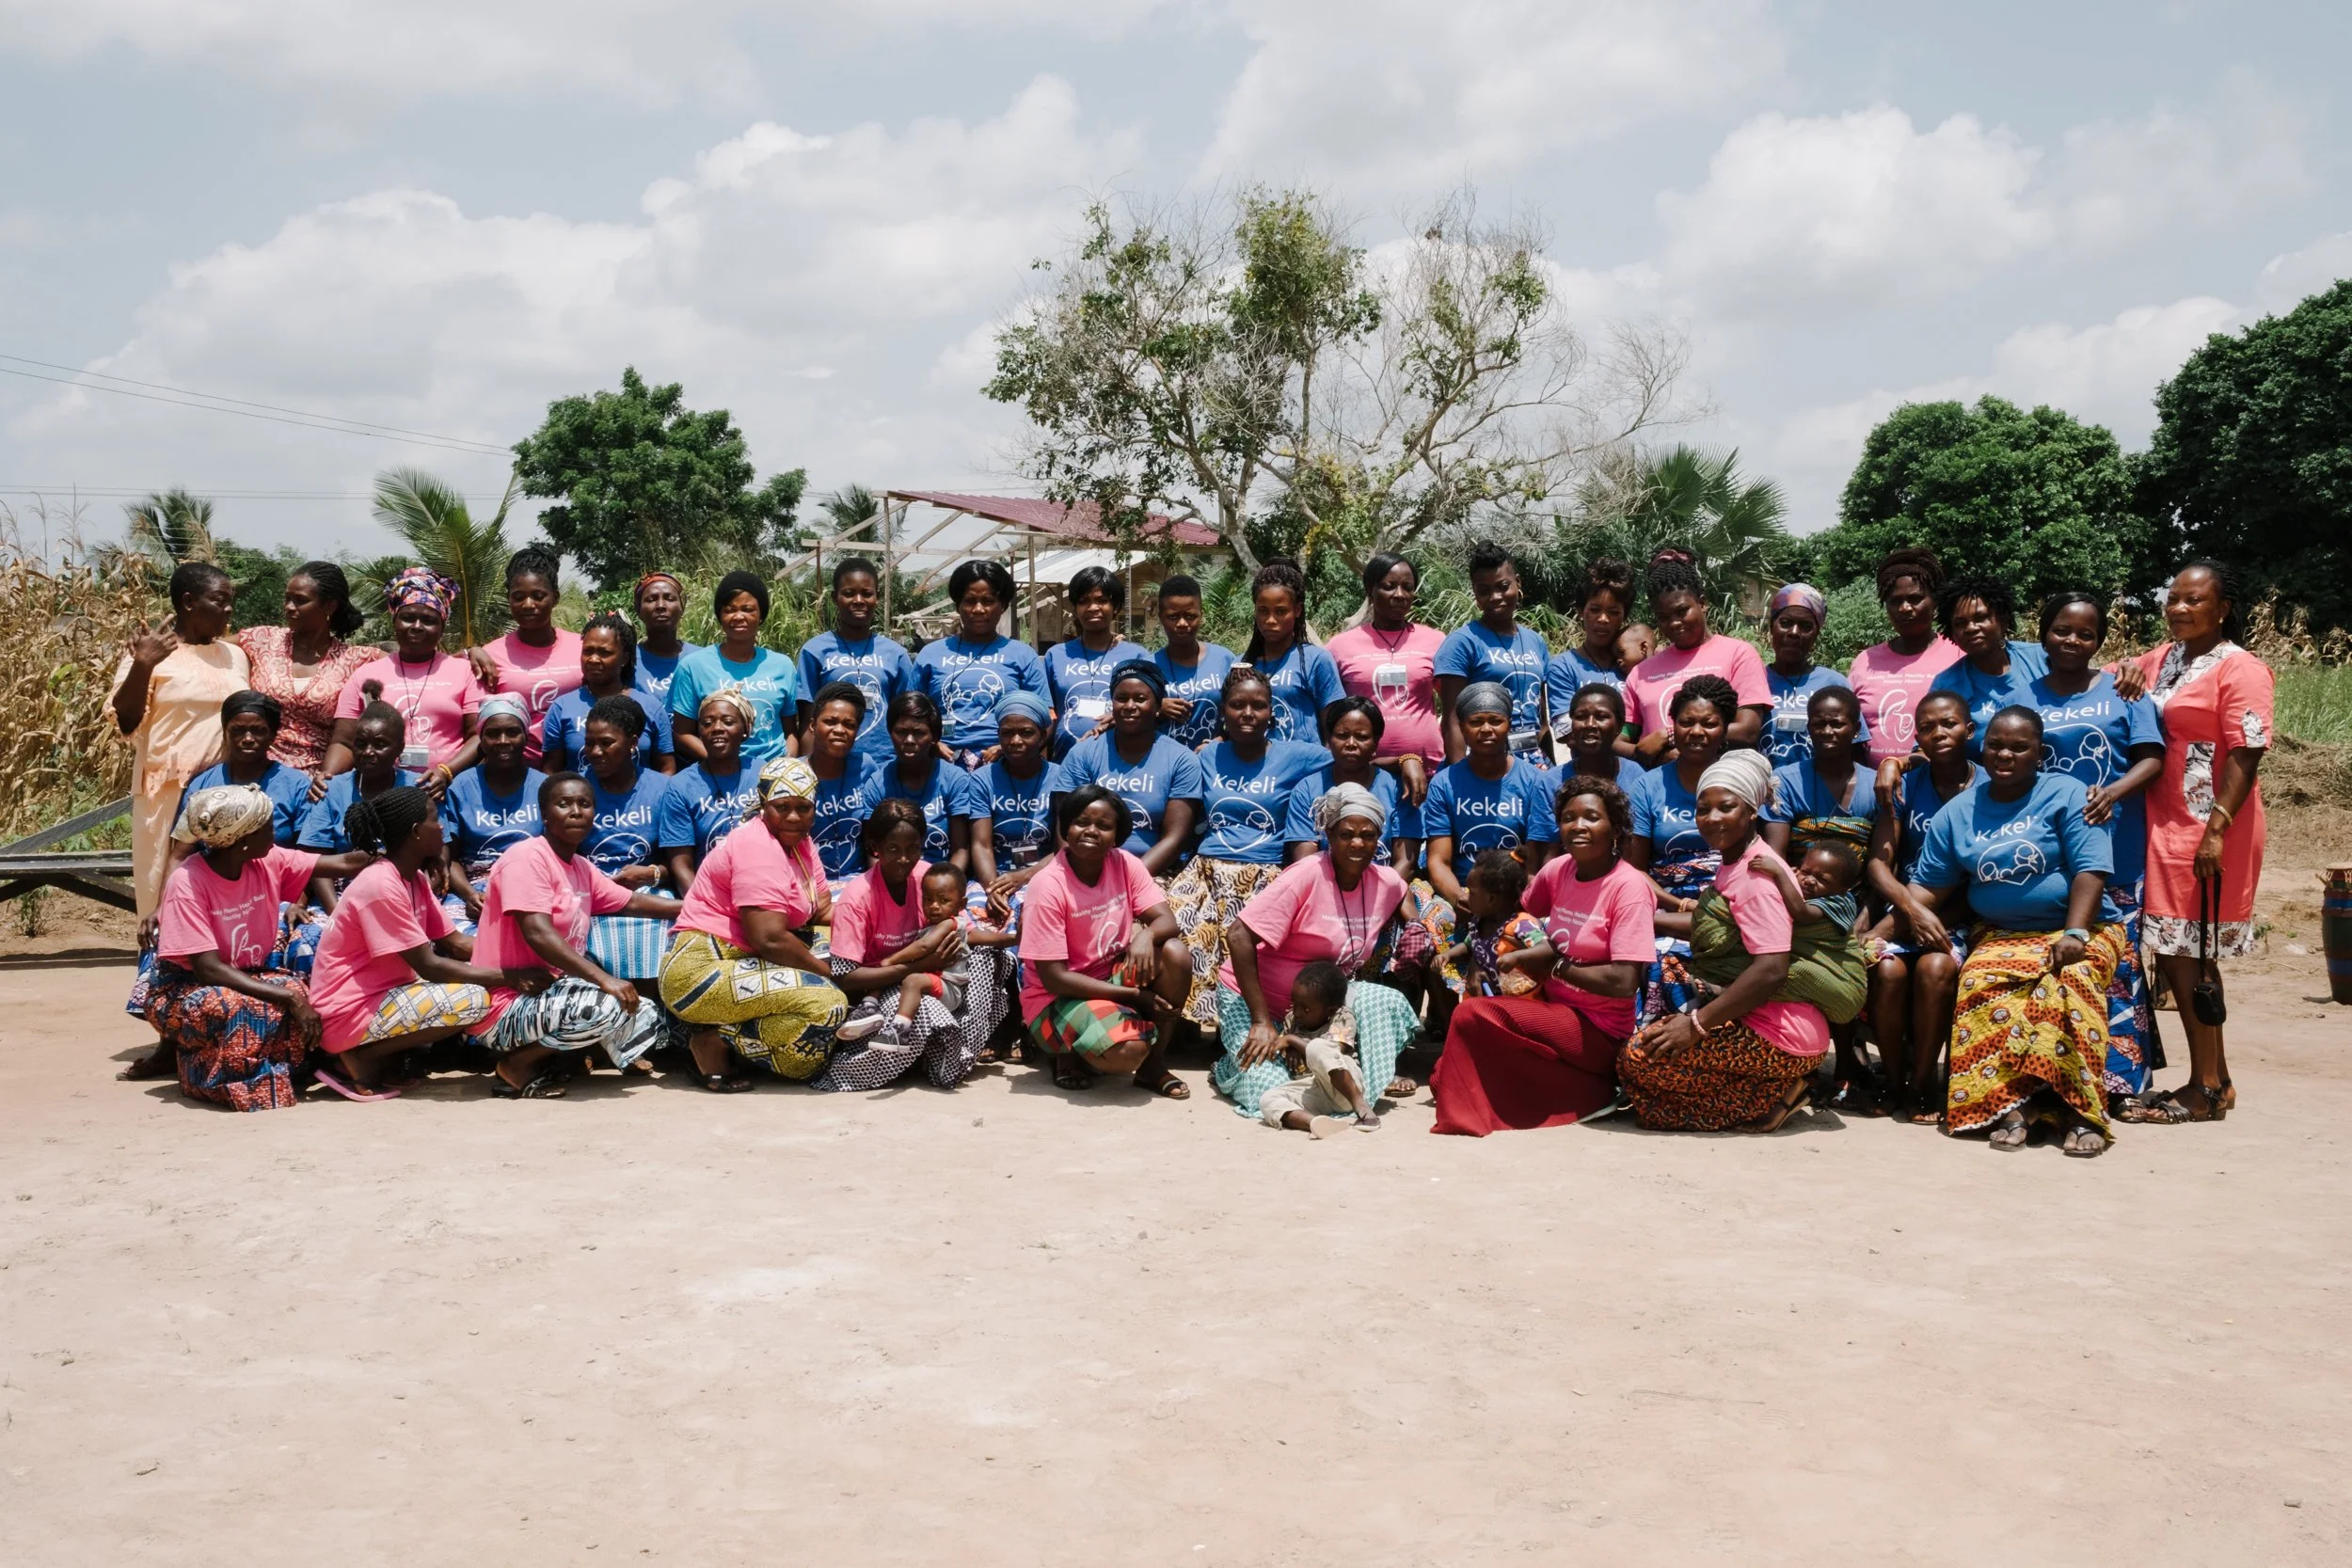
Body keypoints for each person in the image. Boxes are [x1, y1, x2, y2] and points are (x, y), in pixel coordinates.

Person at [1904, 706, 2123, 1156]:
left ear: (2039, 753)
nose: (2004, 754)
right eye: (1995, 746)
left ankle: (2079, 1112)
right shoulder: (1957, 813)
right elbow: (1926, 888)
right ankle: (2010, 1106)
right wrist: (1879, 928)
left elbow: (2090, 869)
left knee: (2072, 982)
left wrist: (2075, 934)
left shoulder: (2068, 793)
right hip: (2002, 933)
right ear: (1980, 749)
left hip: (2080, 929)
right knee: (1980, 981)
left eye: (2018, 747)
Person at [2117, 560, 2274, 1125]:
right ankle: (2217, 1080)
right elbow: (2105, 675)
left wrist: (2217, 828)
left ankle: (2204, 1088)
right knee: (2177, 953)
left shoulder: (2242, 668)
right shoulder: (2163, 659)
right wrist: (2128, 671)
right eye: (2173, 599)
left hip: (2210, 827)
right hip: (2164, 820)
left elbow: (2248, 751)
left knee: (2194, 955)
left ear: (2223, 609)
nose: (2179, 608)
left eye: (2194, 600)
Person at [1619, 751, 1833, 1132]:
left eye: (1726, 807)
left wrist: (1695, 1025)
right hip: (1755, 1013)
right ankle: (1765, 1086)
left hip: (1782, 1034)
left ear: (1752, 811)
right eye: (1704, 809)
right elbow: (1710, 924)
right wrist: (1638, 920)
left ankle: (1776, 1092)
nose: (1712, 818)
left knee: (1637, 1064)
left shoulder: (1756, 876)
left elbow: (1771, 969)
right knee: (1663, 971)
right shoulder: (1736, 858)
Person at [1431, 774, 1652, 1136]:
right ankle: (1587, 1093)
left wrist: (1557, 967)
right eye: (1568, 817)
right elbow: (1504, 916)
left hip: (1598, 1028)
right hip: (1549, 1007)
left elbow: (1624, 982)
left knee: (1472, 1015)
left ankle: (1469, 1117)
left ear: (1615, 827)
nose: (1577, 826)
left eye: (1592, 817)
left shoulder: (1628, 888)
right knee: (1444, 1074)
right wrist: (1475, 961)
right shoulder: (1558, 870)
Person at [137, 785, 372, 1109]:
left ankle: (273, 1072)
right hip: (184, 988)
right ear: (242, 839)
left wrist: (388, 839)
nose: (274, 835)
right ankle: (209, 1078)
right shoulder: (188, 882)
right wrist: (287, 998)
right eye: (268, 828)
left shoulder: (267, 860)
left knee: (299, 990)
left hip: (243, 974)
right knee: (239, 1005)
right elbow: (206, 968)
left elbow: (344, 862)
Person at [307, 785, 546, 1100]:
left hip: (383, 997)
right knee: (473, 1000)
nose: (443, 827)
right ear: (417, 832)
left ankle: (381, 1056)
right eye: (435, 820)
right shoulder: (380, 884)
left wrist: (530, 957)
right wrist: (513, 976)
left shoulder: (413, 878)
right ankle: (361, 1056)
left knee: (480, 986)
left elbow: (456, 943)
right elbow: (430, 966)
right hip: (346, 1012)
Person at [2025, 592, 2165, 1107]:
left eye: (2085, 633)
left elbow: (2151, 759)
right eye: (2062, 630)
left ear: (2099, 642)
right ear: (2044, 634)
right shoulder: (2026, 695)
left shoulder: (2124, 692)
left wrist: (2114, 792)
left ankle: (2122, 1084)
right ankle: (2055, 1078)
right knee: (2059, 961)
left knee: (2120, 969)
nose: (2072, 640)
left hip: (2117, 849)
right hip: (2050, 854)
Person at [469, 772, 686, 1098]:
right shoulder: (526, 858)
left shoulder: (580, 866)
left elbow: (631, 902)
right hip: (506, 1003)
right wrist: (603, 979)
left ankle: (564, 1058)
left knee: (646, 1014)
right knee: (606, 1006)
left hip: (549, 995)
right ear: (544, 813)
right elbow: (537, 932)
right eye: (564, 804)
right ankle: (517, 1065)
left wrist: (700, 906)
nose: (576, 811)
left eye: (584, 804)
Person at [1213, 783, 1420, 1119]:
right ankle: (1230, 1066)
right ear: (1328, 835)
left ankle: (1361, 1083)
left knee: (1386, 1001)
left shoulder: (1385, 881)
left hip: (1323, 1010)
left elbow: (1404, 893)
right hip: (1262, 1003)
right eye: (1346, 834)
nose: (1357, 843)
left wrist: (1415, 925)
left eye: (1368, 835)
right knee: (1267, 1081)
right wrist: (1261, 1020)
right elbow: (1238, 935)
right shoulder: (1306, 875)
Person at [658, 757, 850, 1090]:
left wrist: (876, 922)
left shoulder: (801, 843)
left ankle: (728, 1042)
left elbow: (819, 910)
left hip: (744, 960)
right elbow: (769, 939)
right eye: (782, 806)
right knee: (828, 1007)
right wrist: (828, 973)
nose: (793, 816)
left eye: (803, 807)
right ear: (764, 805)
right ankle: (714, 1042)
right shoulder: (756, 845)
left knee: (847, 950)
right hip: (701, 969)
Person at [1166, 668, 1333, 1026]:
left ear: (1271, 711)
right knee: (1174, 930)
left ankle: (1238, 1028)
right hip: (1206, 871)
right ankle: (1185, 1027)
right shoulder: (1205, 756)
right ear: (1222, 710)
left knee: (1248, 948)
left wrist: (1405, 761)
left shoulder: (1298, 755)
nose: (1248, 713)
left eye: (1258, 705)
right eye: (1237, 705)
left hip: (1264, 874)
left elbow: (1355, 752)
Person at [1018, 786, 1193, 1098]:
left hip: (1107, 975)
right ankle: (1068, 1051)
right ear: (1066, 828)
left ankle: (1153, 1065)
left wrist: (1146, 935)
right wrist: (1136, 996)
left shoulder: (1124, 863)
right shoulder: (1046, 886)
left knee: (1174, 954)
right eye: (1081, 822)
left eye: (1104, 825)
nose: (1091, 831)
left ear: (1117, 836)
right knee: (1126, 1052)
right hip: (1055, 997)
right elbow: (1054, 978)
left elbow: (1167, 920)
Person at [825, 804, 1012, 1091]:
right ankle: (919, 1063)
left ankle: (962, 1052)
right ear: (874, 848)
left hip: (932, 974)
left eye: (913, 848)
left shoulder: (927, 879)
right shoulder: (857, 898)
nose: (904, 859)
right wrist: (914, 967)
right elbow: (845, 977)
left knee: (989, 959)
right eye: (893, 849)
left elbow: (963, 931)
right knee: (922, 1007)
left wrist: (1013, 938)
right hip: (880, 986)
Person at [1862, 689, 1979, 1124]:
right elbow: (1879, 863)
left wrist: (1935, 919)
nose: (1938, 733)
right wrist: (1912, 912)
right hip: (1905, 909)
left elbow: (1984, 873)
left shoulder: (1989, 784)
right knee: (1888, 971)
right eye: (1926, 727)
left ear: (1968, 730)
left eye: (1948, 723)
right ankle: (1893, 1080)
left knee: (1937, 969)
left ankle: (1926, 1081)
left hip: (1963, 913)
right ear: (1916, 738)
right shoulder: (1904, 785)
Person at [111, 561, 250, 921]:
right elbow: (126, 721)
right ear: (189, 602)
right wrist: (143, 664)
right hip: (167, 791)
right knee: (159, 884)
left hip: (223, 789)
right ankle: (155, 971)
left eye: (230, 600)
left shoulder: (234, 656)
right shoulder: (149, 653)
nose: (229, 609)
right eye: (219, 600)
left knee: (219, 888)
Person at [1625, 676, 1741, 1022]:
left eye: (1709, 723)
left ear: (1725, 728)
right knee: (1660, 959)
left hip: (1729, 897)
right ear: (1672, 726)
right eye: (1686, 722)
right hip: (1665, 897)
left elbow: (1755, 857)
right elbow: (1635, 870)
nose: (1697, 731)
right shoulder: (1649, 785)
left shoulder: (1741, 779)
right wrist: (1676, 905)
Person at [328, 566, 483, 795]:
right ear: (395, 621)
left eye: (428, 620)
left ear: (442, 626)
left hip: (445, 790)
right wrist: (328, 778)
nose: (417, 626)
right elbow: (343, 741)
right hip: (379, 792)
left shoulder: (465, 672)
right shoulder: (365, 675)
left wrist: (446, 772)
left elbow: (478, 736)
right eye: (408, 618)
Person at [1418, 683, 1557, 919]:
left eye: (1495, 721)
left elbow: (1535, 860)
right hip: (1463, 892)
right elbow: (1438, 861)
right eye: (1475, 722)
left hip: (1516, 895)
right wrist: (1461, 898)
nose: (1486, 729)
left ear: (1508, 725)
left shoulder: (1535, 781)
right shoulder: (1444, 783)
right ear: (1462, 728)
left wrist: (1520, 902)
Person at [1050, 660, 1201, 879]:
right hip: (1084, 870)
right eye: (1121, 698)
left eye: (1140, 699)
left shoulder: (1182, 760)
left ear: (1158, 706)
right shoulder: (1083, 753)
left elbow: (1175, 838)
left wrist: (1125, 881)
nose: (1130, 706)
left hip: (1151, 872)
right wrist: (1084, 878)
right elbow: (1065, 828)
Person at [236, 561, 374, 777]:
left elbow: (407, 663)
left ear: (329, 606)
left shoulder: (355, 659)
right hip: (258, 773)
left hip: (318, 780)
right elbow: (208, 648)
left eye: (300, 601)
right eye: (287, 598)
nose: (289, 607)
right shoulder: (262, 640)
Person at [1625, 554, 1769, 759]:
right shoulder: (1641, 672)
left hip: (1720, 784)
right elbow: (1622, 739)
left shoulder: (1738, 654)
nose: (1674, 623)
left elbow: (1748, 731)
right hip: (1660, 785)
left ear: (1702, 603)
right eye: (1663, 617)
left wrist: (1673, 736)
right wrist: (1646, 754)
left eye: (1682, 611)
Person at [573, 696, 675, 987]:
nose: (595, 752)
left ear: (633, 742)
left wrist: (652, 873)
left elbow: (680, 861)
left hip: (649, 891)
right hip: (589, 892)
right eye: (589, 742)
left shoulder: (663, 789)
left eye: (606, 743)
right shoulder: (574, 789)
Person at [914, 559, 1049, 767]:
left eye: (987, 601)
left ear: (1002, 606)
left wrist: (1007, 749)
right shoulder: (930, 654)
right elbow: (910, 713)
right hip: (941, 763)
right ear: (958, 605)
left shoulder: (1022, 655)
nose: (978, 609)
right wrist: (932, 744)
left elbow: (1047, 717)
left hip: (1004, 765)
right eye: (969, 601)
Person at [299, 689, 425, 900]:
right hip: (342, 894)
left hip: (404, 891)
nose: (368, 751)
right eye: (361, 744)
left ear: (399, 748)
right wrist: (336, 914)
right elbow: (315, 859)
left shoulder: (418, 787)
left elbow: (434, 855)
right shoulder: (331, 790)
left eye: (380, 744)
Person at [795, 556, 916, 770]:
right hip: (830, 766)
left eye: (867, 594)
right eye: (849, 593)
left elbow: (905, 716)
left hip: (884, 765)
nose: (858, 600)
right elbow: (807, 721)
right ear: (835, 598)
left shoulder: (895, 654)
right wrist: (808, 770)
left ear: (876, 598)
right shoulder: (814, 650)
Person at [668, 571, 801, 768]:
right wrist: (722, 762)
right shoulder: (693, 666)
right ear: (720, 616)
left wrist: (785, 765)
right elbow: (681, 733)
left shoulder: (783, 665)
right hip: (720, 774)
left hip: (774, 773)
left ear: (761, 615)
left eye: (748, 609)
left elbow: (790, 731)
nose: (738, 616)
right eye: (729, 609)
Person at [1436, 542, 1552, 764]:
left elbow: (1542, 719)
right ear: (1475, 593)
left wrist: (1551, 767)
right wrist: (1463, 778)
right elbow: (1451, 722)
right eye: (1484, 591)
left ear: (1518, 583)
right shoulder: (1462, 643)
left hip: (1535, 763)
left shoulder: (1535, 641)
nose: (1495, 597)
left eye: (1502, 586)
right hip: (1485, 764)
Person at [1327, 552, 1446, 766]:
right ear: (1369, 591)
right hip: (1363, 772)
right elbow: (1328, 713)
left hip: (1428, 768)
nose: (1400, 594)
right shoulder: (1339, 646)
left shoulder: (1435, 641)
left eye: (1407, 587)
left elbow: (1454, 705)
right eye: (1389, 586)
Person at [1847, 547, 1961, 766]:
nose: (1905, 608)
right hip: (1876, 790)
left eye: (1915, 598)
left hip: (1941, 789)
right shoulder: (1865, 661)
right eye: (1895, 601)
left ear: (1934, 601)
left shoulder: (1957, 654)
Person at [437, 694, 545, 926]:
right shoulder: (461, 787)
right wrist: (469, 895)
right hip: (473, 890)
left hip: (532, 887)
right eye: (493, 734)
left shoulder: (545, 788)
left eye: (512, 732)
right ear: (482, 741)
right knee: (454, 939)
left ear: (526, 737)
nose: (503, 740)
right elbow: (451, 858)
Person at [472, 547, 583, 766]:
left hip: (577, 768)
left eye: (538, 596)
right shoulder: (491, 654)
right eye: (519, 597)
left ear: (555, 598)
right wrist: (469, 652)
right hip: (517, 771)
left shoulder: (581, 646)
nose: (528, 604)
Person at [1282, 697, 1418, 873]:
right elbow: (1305, 864)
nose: (1351, 744)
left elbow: (1405, 864)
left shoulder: (1398, 789)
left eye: (1362, 737)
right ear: (1329, 741)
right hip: (1324, 889)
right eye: (1342, 735)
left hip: (1385, 888)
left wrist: (1380, 896)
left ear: (1376, 744)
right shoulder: (1307, 790)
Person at [170, 691, 312, 859]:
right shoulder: (202, 785)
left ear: (273, 735)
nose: (248, 738)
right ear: (224, 734)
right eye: (237, 730)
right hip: (213, 882)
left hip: (275, 880)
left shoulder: (296, 786)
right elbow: (181, 854)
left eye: (258, 731)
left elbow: (306, 858)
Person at [1252, 961, 1384, 1137]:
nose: (1297, 1012)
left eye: (1305, 1008)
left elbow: (1330, 1051)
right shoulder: (1292, 1019)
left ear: (1330, 1010)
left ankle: (1361, 1106)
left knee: (1317, 1047)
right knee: (1267, 1100)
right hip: (1315, 1089)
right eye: (1294, 1004)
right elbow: (1282, 1046)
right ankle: (1315, 1123)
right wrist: (1289, 1047)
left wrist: (1291, 1040)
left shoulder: (1342, 1016)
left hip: (1346, 1084)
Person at [1927, 576, 2056, 749]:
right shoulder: (1947, 685)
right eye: (1960, 623)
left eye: (1980, 617)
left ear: (2002, 620)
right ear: (1952, 632)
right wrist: (1898, 763)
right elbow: (1929, 747)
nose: (1971, 628)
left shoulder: (2043, 658)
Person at [654, 688, 760, 897]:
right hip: (708, 892)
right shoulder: (680, 786)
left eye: (728, 722)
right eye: (707, 723)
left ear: (746, 729)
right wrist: (704, 907)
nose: (717, 728)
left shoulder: (764, 774)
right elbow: (681, 865)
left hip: (762, 887)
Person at [541, 614, 674, 774]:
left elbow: (666, 767)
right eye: (588, 651)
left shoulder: (651, 708)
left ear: (624, 659)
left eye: (604, 652)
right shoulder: (562, 708)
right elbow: (551, 769)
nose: (593, 659)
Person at [869, 691, 985, 870]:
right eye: (901, 732)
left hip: (943, 880)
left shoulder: (954, 779)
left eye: (918, 733)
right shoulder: (877, 784)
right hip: (891, 880)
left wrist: (943, 887)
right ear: (890, 733)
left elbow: (960, 850)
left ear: (935, 738)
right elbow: (873, 855)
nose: (908, 740)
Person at [1042, 565, 1149, 760]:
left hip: (1120, 763)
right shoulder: (1055, 655)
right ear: (1075, 608)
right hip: (1066, 763)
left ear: (1115, 607)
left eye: (1102, 600)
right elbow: (1047, 716)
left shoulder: (1137, 656)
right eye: (1084, 601)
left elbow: (1150, 711)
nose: (1093, 608)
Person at [1762, 686, 1877, 865]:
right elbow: (1775, 858)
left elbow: (1882, 861)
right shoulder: (1785, 782)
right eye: (1819, 724)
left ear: (1856, 729)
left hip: (1860, 891)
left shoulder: (1875, 785)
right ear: (1808, 728)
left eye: (1837, 724)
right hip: (1796, 887)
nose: (1827, 732)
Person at [1761, 583, 1869, 768]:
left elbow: (1856, 750)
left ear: (1816, 634)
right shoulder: (1754, 680)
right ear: (1772, 627)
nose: (1794, 633)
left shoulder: (1834, 684)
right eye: (1785, 623)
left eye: (1805, 626)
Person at [1239, 560, 1343, 745]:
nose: (1270, 620)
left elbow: (1335, 729)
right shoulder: (1243, 664)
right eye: (1263, 611)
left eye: (1280, 611)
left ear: (1297, 610)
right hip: (1256, 770)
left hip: (1304, 769)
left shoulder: (1316, 660)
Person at [973, 690, 1059, 907]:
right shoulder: (983, 779)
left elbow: (1064, 848)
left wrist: (1026, 876)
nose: (1015, 741)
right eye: (1007, 733)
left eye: (1026, 733)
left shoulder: (1060, 778)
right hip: (996, 876)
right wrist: (993, 889)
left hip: (1046, 873)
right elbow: (980, 845)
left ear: (1042, 735)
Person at [1544, 560, 1636, 751]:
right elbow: (1565, 732)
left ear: (1624, 616)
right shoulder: (1563, 667)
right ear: (1580, 612)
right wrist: (1628, 747)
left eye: (1613, 612)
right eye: (1594, 610)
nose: (1603, 619)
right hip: (1586, 775)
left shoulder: (1636, 666)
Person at [1437, 849, 1552, 998]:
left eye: (1472, 893)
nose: (1466, 896)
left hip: (1519, 1000)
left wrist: (1518, 956)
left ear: (1491, 899)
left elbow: (1547, 948)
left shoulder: (1521, 924)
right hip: (1486, 995)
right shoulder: (1479, 922)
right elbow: (1467, 946)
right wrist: (1448, 955)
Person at [798, 684, 878, 883]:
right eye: (830, 722)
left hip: (859, 881)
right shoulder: (794, 775)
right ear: (813, 725)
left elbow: (877, 835)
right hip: (808, 883)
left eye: (849, 725)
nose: (839, 730)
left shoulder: (864, 767)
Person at [1149, 574, 1237, 749]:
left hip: (1213, 763)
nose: (1182, 623)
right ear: (1160, 617)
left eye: (1190, 616)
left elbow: (1240, 711)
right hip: (1164, 765)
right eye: (1173, 617)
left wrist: (1219, 742)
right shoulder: (1148, 666)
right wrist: (1157, 710)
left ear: (1201, 615)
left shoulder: (1224, 659)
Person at [630, 571, 701, 713]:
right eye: (651, 599)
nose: (661, 605)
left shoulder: (701, 658)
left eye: (669, 598)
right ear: (638, 610)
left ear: (682, 607)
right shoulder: (627, 661)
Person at [1554, 683, 1638, 789]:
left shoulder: (1637, 778)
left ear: (1619, 726)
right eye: (1580, 717)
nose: (1590, 724)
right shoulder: (1550, 783)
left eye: (1601, 717)